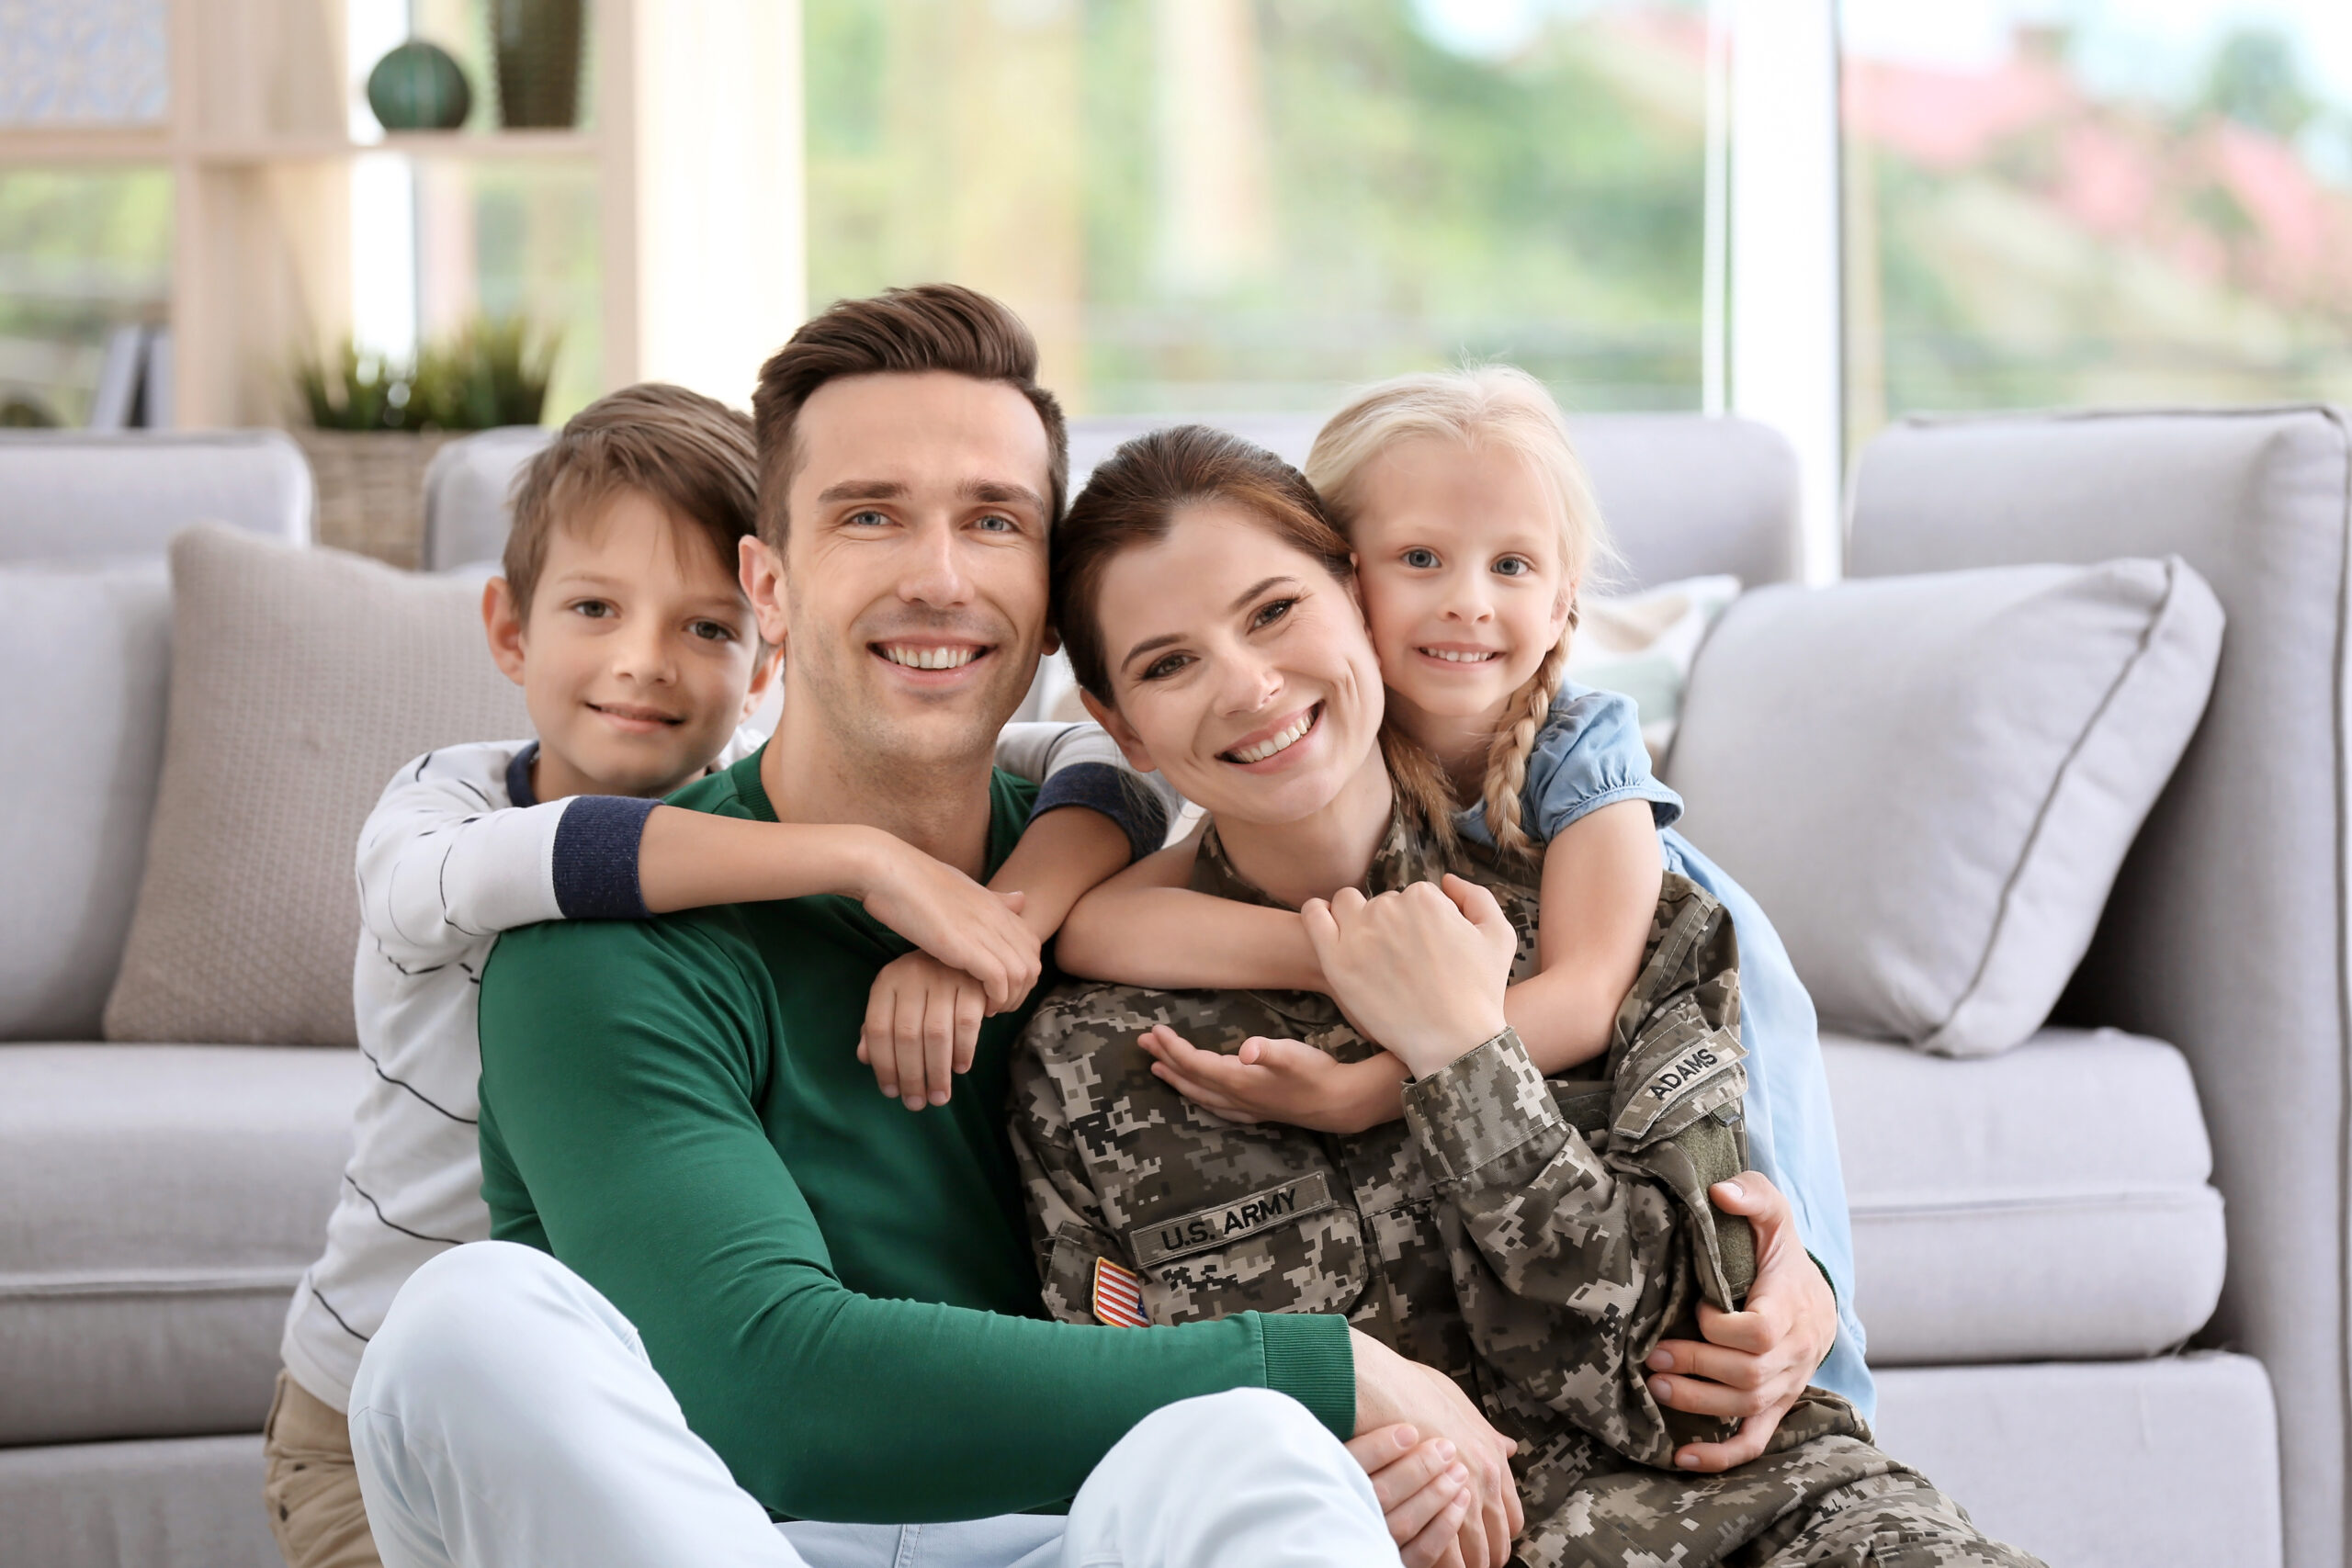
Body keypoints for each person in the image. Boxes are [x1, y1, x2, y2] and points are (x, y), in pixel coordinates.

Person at [343, 288, 1521, 1568]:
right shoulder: (606, 942)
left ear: (1052, 603)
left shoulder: (1128, 880)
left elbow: (1628, 952)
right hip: (744, 1530)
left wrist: (1777, 1259)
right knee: (464, 1321)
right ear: (769, 586)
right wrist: (1327, 1368)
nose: (940, 578)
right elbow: (772, 1388)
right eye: (870, 516)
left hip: (1079, 1522)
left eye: (994, 521)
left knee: (1259, 1447)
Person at [1011, 424, 2041, 1567]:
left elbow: (1689, 1379)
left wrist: (1463, 1053)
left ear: (1356, 602)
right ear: (1119, 727)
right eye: (1167, 664)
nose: (1249, 686)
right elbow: (1134, 1431)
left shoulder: (1610, 905)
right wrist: (1308, 1472)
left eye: (1272, 613)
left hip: (1769, 1521)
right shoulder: (1088, 1051)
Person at [266, 380, 1177, 1568]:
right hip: (404, 1382)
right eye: (595, 607)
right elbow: (560, 853)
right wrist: (864, 862)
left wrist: (999, 925)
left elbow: (1102, 756)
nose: (644, 665)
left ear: (762, 638)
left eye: (704, 629)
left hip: (639, 1378)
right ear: (508, 628)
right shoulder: (450, 812)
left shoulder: (756, 783)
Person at [1053, 367, 1872, 1440]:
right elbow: (1098, 924)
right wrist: (1356, 956)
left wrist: (1371, 1085)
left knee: (1769, 1196)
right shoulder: (1304, 718)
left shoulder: (1581, 755)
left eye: (1512, 566)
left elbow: (1584, 998)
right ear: (1351, 575)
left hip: (1669, 946)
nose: (1467, 602)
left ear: (1565, 593)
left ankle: (1815, 1356)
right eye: (1420, 560)